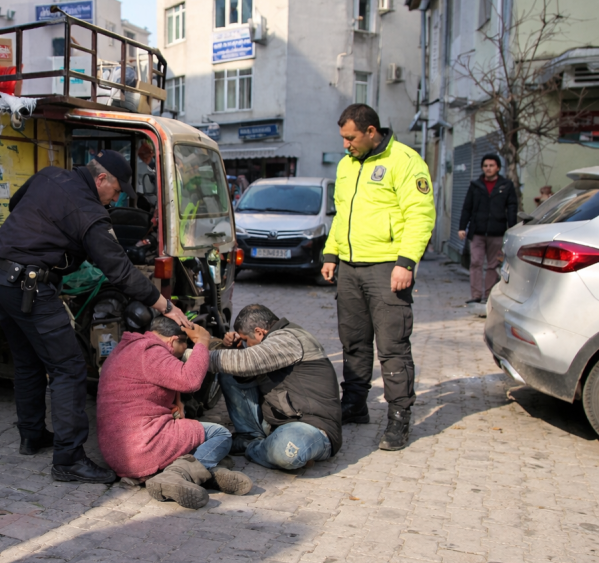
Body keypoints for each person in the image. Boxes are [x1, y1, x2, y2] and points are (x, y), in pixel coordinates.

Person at [0, 150, 191, 484]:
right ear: (101, 179)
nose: (118, 197)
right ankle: (68, 459)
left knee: (28, 361)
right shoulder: (89, 211)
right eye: (117, 189)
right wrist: (165, 306)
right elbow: (120, 271)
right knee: (69, 367)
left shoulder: (49, 174)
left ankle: (32, 435)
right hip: (28, 285)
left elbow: (15, 206)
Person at [320, 104, 435, 451]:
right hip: (351, 269)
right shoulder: (346, 165)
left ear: (372, 132)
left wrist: (407, 261)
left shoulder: (405, 160)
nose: (345, 145)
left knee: (392, 347)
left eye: (350, 137)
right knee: (353, 341)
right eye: (342, 138)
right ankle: (355, 405)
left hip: (388, 267)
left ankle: (399, 417)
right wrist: (331, 252)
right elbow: (342, 215)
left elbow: (420, 214)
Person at [96, 316, 252, 509]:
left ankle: (200, 471)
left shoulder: (127, 347)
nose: (179, 356)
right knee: (220, 435)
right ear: (172, 340)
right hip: (143, 447)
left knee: (200, 443)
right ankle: (178, 474)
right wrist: (202, 343)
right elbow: (191, 380)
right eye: (182, 349)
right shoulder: (153, 352)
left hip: (118, 453)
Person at [211, 304, 343, 470]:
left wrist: (191, 357)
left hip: (311, 428)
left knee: (289, 451)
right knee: (230, 371)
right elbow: (243, 371)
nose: (247, 345)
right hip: (276, 423)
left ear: (259, 332)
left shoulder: (288, 338)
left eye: (246, 340)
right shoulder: (271, 342)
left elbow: (247, 361)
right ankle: (252, 436)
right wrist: (233, 349)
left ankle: (252, 447)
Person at [457, 154, 519, 304]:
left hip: (497, 232)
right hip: (477, 231)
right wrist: (462, 227)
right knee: (476, 262)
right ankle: (476, 295)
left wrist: (512, 227)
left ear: (497, 167)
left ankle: (488, 295)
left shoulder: (506, 185)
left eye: (491, 166)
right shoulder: (475, 185)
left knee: (493, 265)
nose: (488, 168)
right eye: (485, 166)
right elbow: (467, 207)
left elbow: (511, 207)